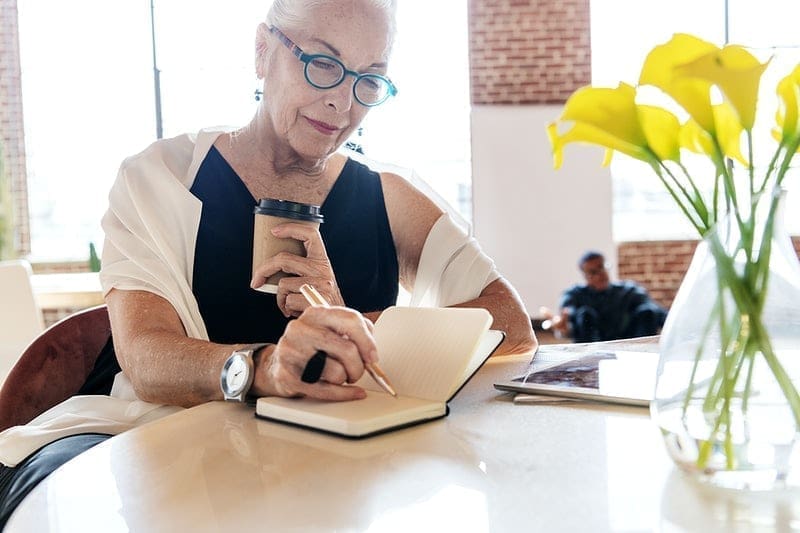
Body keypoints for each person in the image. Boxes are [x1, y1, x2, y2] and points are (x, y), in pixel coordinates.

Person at [0, 0, 536, 523]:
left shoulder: (388, 196)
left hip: (333, 453)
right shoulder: (159, 177)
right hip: (141, 435)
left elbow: (511, 325)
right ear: (263, 50)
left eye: (368, 80)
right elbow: (143, 357)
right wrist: (266, 366)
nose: (343, 103)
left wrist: (349, 322)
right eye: (324, 64)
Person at [546, 251, 666, 343]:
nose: (600, 274)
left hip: (629, 347)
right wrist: (563, 327)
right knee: (584, 314)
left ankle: (643, 357)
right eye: (593, 272)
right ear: (585, 275)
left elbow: (657, 311)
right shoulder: (575, 294)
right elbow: (567, 315)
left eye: (602, 267)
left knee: (648, 310)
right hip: (591, 354)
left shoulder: (628, 291)